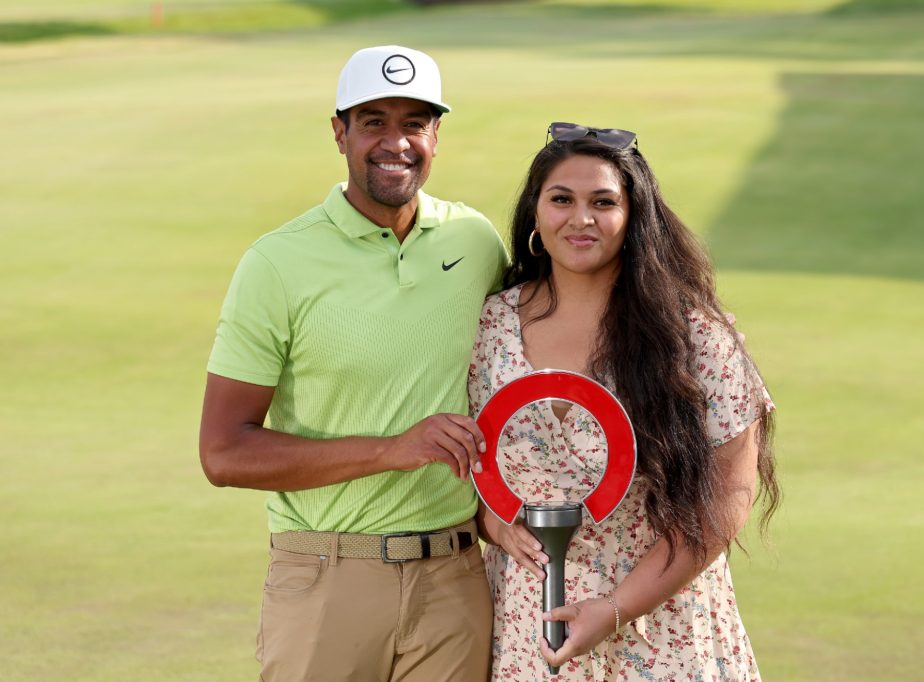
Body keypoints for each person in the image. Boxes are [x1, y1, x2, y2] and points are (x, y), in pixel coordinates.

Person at [199, 45, 507, 681]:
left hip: (456, 578)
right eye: (373, 121)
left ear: (436, 135)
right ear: (339, 131)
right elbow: (224, 453)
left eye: (414, 123)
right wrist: (393, 448)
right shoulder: (276, 264)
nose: (395, 142)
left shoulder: (475, 242)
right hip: (326, 579)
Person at [469, 123, 780, 680]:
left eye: (604, 202)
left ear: (635, 216)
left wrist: (616, 609)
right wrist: (494, 522)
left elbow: (730, 493)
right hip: (529, 626)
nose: (581, 218)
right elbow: (462, 458)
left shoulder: (692, 334)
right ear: (535, 214)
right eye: (561, 199)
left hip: (663, 628)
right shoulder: (489, 323)